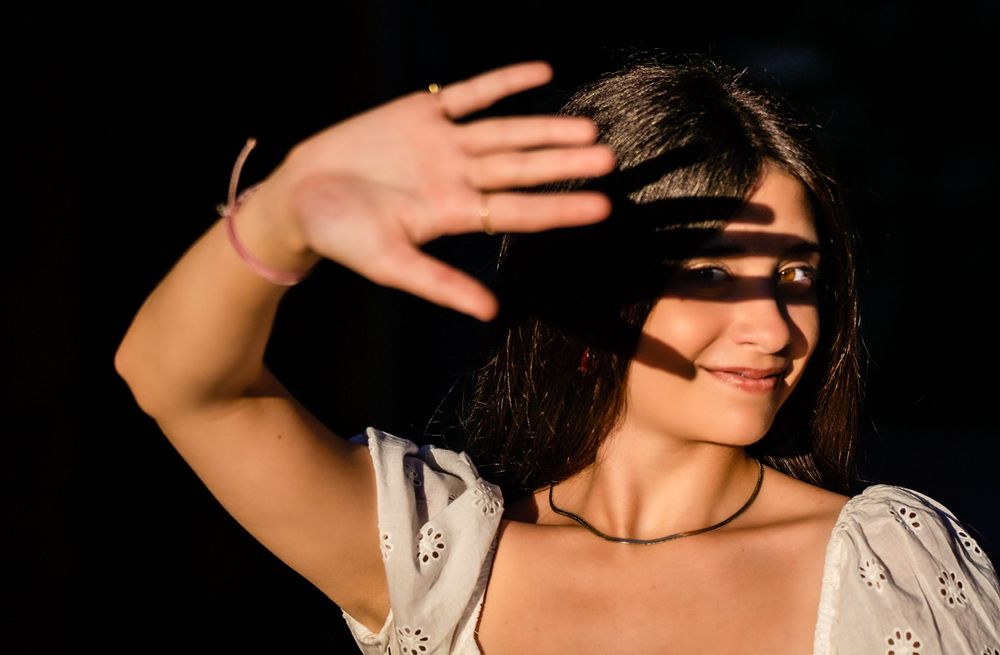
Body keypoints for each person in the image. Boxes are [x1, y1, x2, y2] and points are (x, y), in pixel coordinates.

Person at [114, 58, 1000, 654]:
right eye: (710, 273)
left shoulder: (885, 565)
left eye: (796, 274)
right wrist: (284, 214)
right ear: (594, 287)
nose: (772, 328)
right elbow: (176, 382)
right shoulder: (444, 559)